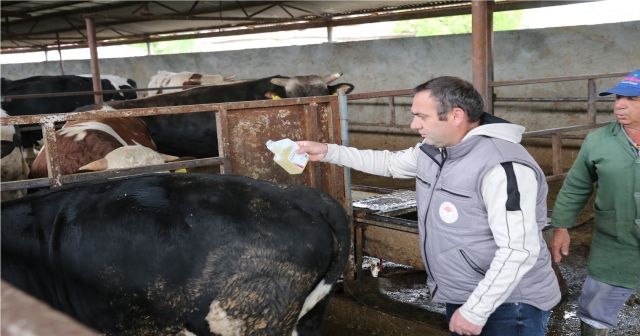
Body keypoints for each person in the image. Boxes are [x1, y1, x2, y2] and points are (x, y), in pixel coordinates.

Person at [296, 76, 560, 336]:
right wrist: (328, 152)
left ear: (456, 116)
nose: (414, 124)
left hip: (509, 305)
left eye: (422, 116)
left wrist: (476, 310)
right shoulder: (436, 150)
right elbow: (390, 163)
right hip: (463, 291)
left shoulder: (502, 166)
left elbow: (519, 249)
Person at [550, 70, 640, 336]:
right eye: (618, 98)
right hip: (615, 239)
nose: (620, 105)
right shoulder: (598, 141)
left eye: (633, 99)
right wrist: (561, 227)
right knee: (595, 306)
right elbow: (577, 186)